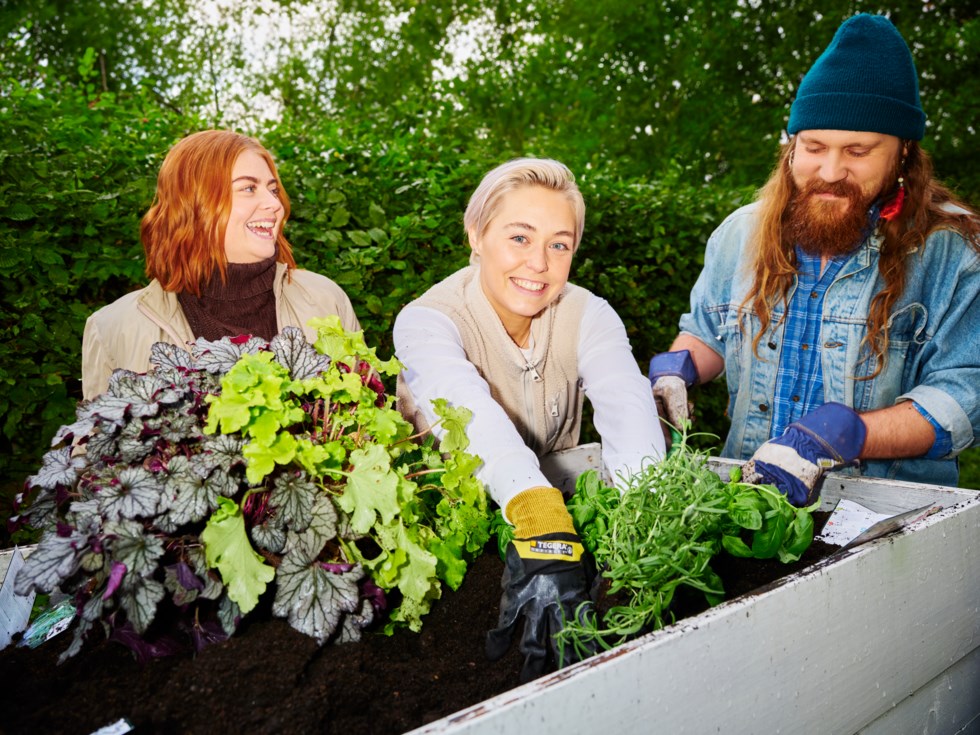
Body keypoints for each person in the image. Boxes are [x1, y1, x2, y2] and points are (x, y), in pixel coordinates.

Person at [651, 14, 980, 506]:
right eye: (814, 146)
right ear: (791, 146)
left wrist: (848, 434)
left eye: (858, 150)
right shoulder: (740, 233)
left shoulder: (953, 251)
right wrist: (679, 368)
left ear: (903, 153)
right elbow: (710, 331)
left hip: (874, 519)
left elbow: (965, 397)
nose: (830, 171)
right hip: (743, 504)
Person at [394, 158, 665, 680]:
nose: (539, 263)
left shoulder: (588, 314)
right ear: (476, 234)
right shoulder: (428, 320)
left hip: (555, 509)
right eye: (520, 237)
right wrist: (540, 520)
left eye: (559, 244)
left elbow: (626, 409)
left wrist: (645, 534)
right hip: (462, 525)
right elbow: (467, 412)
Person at [82, 130, 360, 398]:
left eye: (272, 189)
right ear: (194, 203)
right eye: (249, 188)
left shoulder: (325, 300)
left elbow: (367, 433)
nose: (274, 204)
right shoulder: (113, 328)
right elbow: (93, 442)